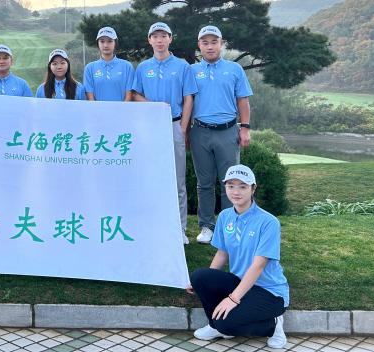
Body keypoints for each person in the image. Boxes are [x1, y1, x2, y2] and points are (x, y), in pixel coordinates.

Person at [189, 164, 288, 349]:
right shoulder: (225, 216)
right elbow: (222, 252)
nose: (236, 191)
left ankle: (273, 324)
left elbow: (258, 265)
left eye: (243, 186)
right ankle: (215, 326)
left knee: (227, 324)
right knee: (200, 277)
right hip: (240, 282)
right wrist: (204, 283)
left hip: (269, 292)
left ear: (253, 189)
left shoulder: (269, 222)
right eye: (231, 186)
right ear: (225, 187)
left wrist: (233, 298)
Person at [131, 22, 197, 244]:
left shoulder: (182, 66)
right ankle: (152, 225)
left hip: (174, 125)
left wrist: (183, 128)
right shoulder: (143, 67)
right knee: (150, 177)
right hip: (150, 128)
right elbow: (135, 94)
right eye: (155, 36)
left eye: (163, 36)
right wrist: (153, 106)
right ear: (149, 40)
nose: (159, 40)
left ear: (170, 39)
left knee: (177, 180)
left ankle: (179, 228)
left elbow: (188, 98)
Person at [190, 25, 253, 244]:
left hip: (227, 130)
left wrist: (245, 127)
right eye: (205, 42)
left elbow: (243, 100)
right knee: (204, 182)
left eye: (214, 42)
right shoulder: (192, 71)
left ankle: (229, 226)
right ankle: (207, 226)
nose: (210, 46)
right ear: (199, 46)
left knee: (231, 182)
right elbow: (187, 101)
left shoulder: (234, 69)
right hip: (200, 131)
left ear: (221, 44)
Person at [83, 26, 133, 101]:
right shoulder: (89, 68)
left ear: (115, 43)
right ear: (98, 43)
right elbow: (90, 98)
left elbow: (129, 95)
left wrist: (122, 108)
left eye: (110, 41)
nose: (106, 45)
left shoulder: (127, 66)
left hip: (122, 108)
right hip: (97, 109)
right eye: (102, 41)